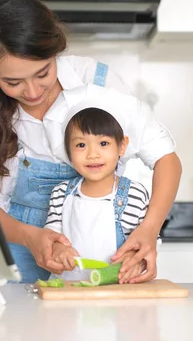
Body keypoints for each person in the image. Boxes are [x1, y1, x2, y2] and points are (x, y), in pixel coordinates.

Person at [0, 0, 182, 283]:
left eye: (42, 73)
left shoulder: (96, 83)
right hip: (19, 252)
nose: (31, 92)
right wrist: (30, 237)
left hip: (104, 255)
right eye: (12, 82)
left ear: (55, 51)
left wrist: (149, 229)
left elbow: (166, 159)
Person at [45, 105, 155, 284]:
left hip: (119, 291)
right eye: (81, 145)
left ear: (121, 146)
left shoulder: (135, 194)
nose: (92, 154)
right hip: (69, 291)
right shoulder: (60, 194)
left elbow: (149, 240)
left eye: (103, 143)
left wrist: (135, 259)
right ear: (69, 153)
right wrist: (58, 249)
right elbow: (50, 237)